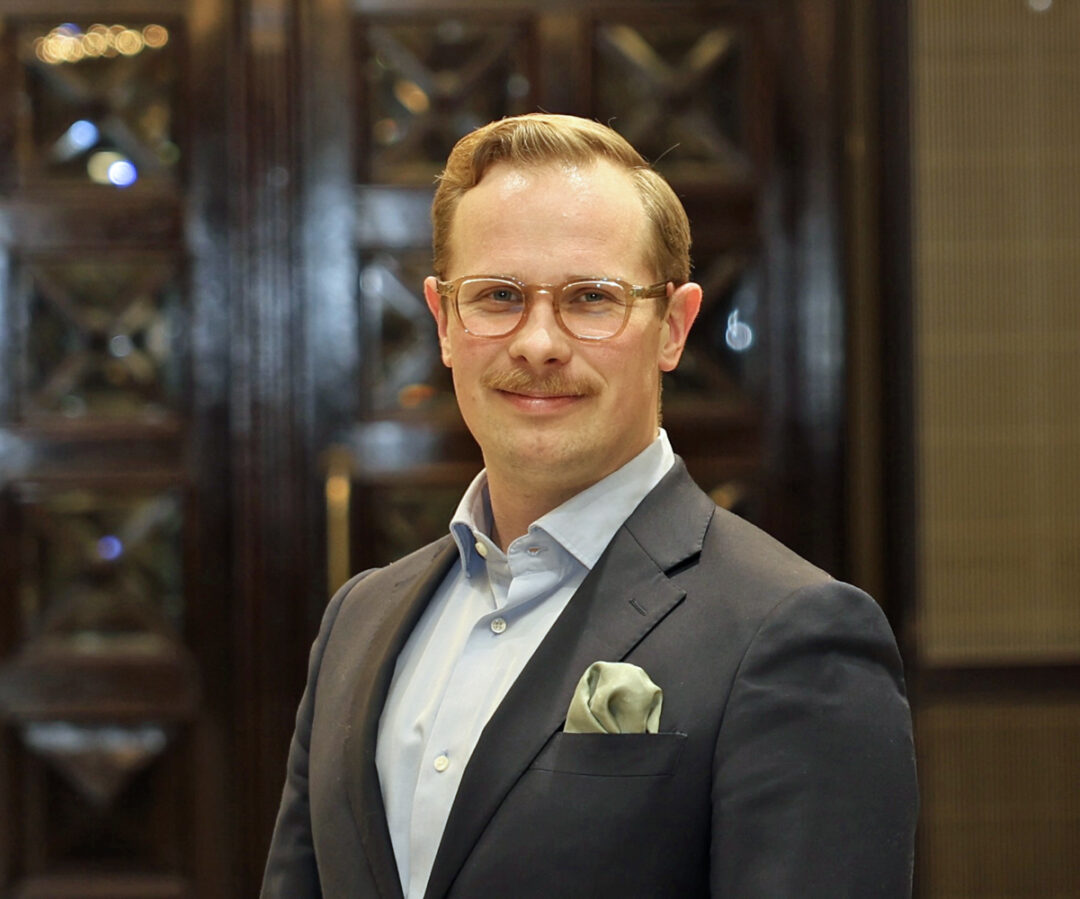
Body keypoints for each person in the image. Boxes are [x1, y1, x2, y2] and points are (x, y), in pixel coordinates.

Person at [261, 113, 918, 899]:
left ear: (673, 327)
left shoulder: (794, 633)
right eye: (498, 295)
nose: (538, 342)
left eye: (591, 298)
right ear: (443, 322)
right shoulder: (358, 621)